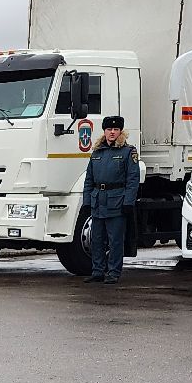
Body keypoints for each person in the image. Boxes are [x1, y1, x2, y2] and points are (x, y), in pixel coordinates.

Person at [81, 115, 140, 284]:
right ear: (104, 131)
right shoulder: (97, 152)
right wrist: (87, 202)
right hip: (98, 200)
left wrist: (129, 202)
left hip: (117, 201)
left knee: (115, 240)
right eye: (108, 129)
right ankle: (97, 271)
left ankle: (114, 272)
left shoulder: (128, 152)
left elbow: (132, 179)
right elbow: (89, 180)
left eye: (115, 129)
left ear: (121, 131)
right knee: (97, 239)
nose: (112, 132)